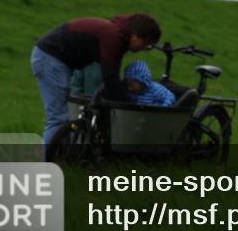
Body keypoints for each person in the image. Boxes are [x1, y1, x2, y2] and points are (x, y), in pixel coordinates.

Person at [31, 13, 161, 145]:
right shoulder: (114, 37)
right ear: (136, 35)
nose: (145, 49)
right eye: (146, 44)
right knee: (57, 119)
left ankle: (59, 156)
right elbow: (110, 79)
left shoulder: (118, 35)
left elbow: (111, 80)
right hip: (51, 60)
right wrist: (132, 105)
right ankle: (44, 162)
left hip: (51, 58)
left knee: (61, 119)